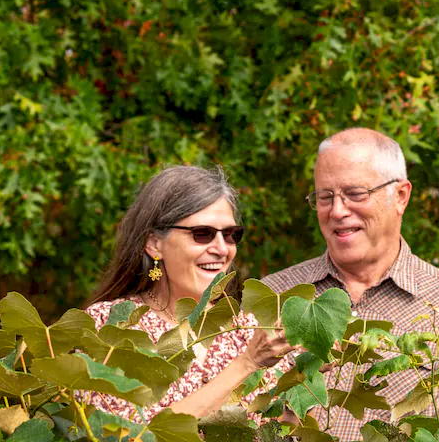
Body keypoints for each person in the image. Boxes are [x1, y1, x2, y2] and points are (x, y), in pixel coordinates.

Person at [263, 128, 439, 439]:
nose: (337, 211)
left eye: (355, 193)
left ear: (401, 197)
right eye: (325, 197)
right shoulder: (275, 295)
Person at [85, 165, 290, 422]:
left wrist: (307, 380)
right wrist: (246, 364)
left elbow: (283, 437)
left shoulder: (249, 331)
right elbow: (130, 439)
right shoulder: (109, 326)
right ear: (154, 243)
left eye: (230, 235)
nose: (221, 249)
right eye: (202, 234)